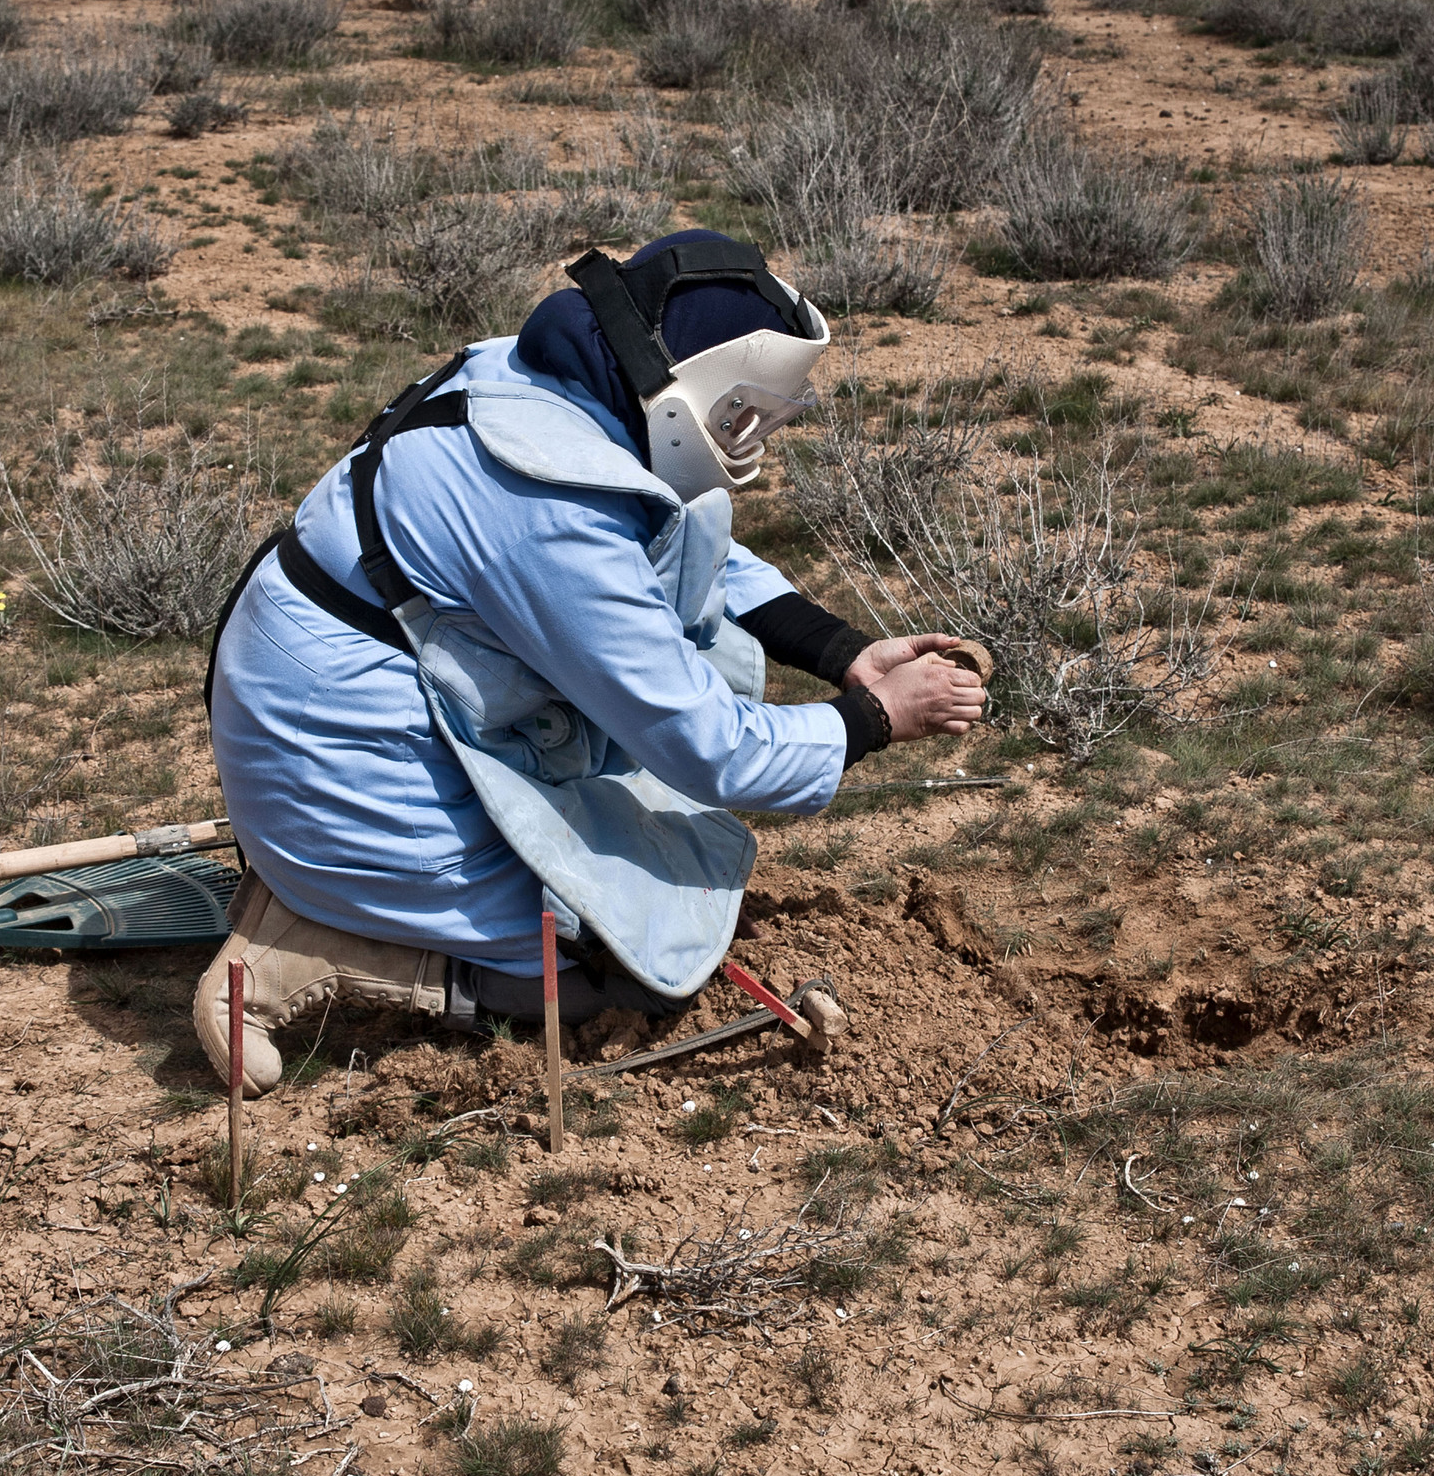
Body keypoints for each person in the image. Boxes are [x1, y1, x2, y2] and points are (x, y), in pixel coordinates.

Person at [195, 231, 984, 1094]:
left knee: (649, 816)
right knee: (617, 959)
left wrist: (844, 655)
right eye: (742, 413)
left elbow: (687, 547)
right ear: (693, 391)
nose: (749, 438)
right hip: (333, 768)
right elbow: (714, 750)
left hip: (335, 705)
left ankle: (338, 891)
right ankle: (319, 945)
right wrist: (879, 717)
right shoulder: (545, 506)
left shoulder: (545, 383)